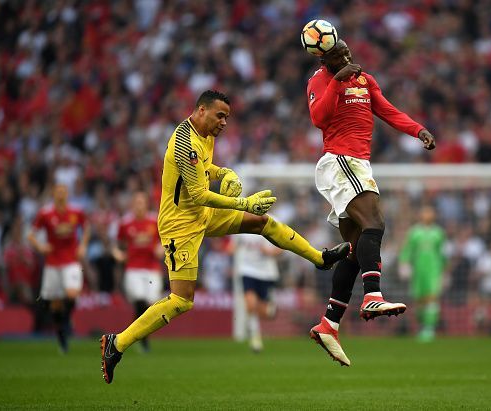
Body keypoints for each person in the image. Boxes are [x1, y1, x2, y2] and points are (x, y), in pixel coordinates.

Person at [100, 90, 350, 383]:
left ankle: (320, 258)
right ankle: (116, 344)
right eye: (220, 116)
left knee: (263, 223)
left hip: (202, 214)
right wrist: (243, 202)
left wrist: (225, 173)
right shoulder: (184, 142)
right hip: (179, 225)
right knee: (182, 300)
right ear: (201, 110)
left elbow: (205, 170)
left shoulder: (206, 134)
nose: (224, 123)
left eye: (227, 118)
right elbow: (197, 193)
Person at [306, 40, 436, 366]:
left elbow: (387, 110)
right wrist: (337, 81)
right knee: (375, 222)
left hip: (358, 163)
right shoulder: (320, 81)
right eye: (340, 55)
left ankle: (329, 324)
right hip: (340, 161)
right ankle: (373, 297)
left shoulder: (365, 80)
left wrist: (417, 130)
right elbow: (319, 119)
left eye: (348, 53)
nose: (348, 58)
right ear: (326, 60)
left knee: (354, 247)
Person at [27, 183, 90, 352]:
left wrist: (83, 245)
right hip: (53, 263)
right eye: (58, 191)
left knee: (71, 294)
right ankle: (62, 336)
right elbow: (30, 234)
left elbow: (86, 228)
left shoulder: (76, 212)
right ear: (53, 194)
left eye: (63, 191)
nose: (61, 194)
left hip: (71, 261)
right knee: (54, 304)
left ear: (67, 194)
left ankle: (67, 319)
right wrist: (40, 247)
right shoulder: (45, 213)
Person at [111, 191, 164, 352]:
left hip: (152, 269)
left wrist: (161, 248)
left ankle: (137, 336)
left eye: (142, 202)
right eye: (137, 202)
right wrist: (118, 255)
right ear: (133, 205)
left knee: (150, 306)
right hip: (133, 268)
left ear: (146, 204)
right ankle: (142, 339)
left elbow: (165, 239)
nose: (140, 205)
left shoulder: (154, 220)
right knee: (140, 300)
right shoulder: (125, 223)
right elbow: (116, 244)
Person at [398, 206, 446, 342]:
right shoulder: (414, 232)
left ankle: (429, 328)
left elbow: (442, 253)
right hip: (418, 271)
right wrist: (404, 263)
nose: (427, 215)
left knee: (431, 298)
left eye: (430, 212)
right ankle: (422, 325)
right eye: (425, 212)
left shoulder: (438, 233)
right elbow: (407, 249)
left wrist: (445, 271)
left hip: (433, 271)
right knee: (419, 300)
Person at [233, 234, 282, 352]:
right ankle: (255, 336)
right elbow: (234, 245)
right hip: (247, 270)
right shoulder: (242, 222)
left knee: (267, 312)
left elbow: (283, 246)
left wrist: (271, 252)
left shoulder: (275, 221)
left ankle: (270, 307)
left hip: (266, 273)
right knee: (250, 304)